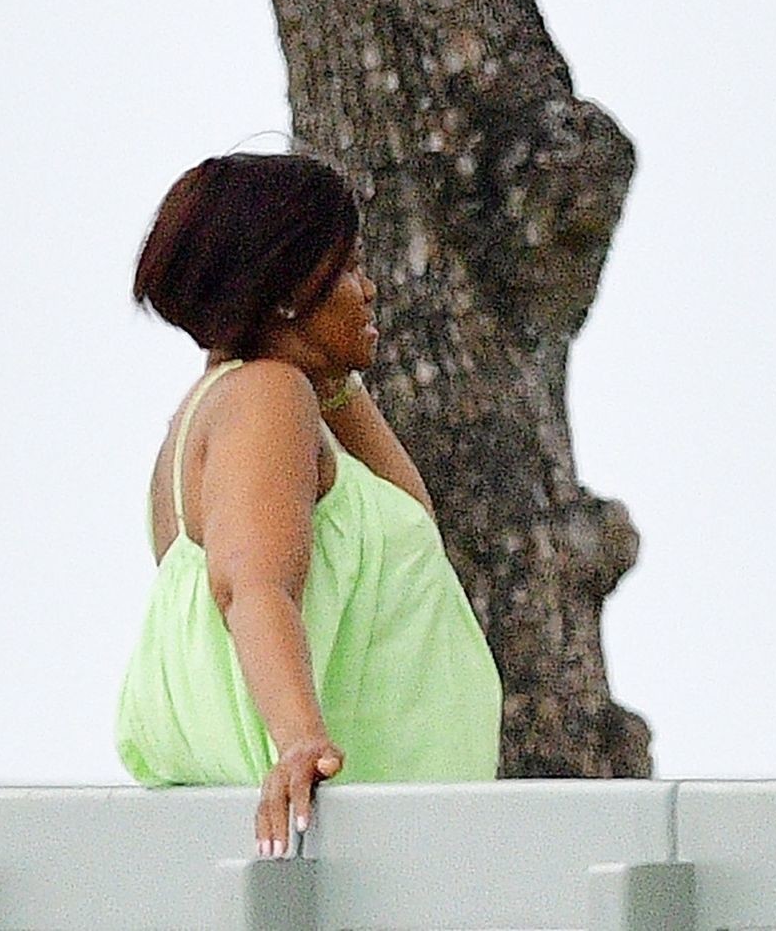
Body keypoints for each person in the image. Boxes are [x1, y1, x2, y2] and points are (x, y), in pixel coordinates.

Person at [116, 152, 502, 855]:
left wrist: (329, 370)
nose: (370, 288)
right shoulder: (268, 396)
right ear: (291, 289)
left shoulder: (229, 405)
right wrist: (301, 742)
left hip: (399, 838)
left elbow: (413, 526)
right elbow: (252, 584)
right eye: (349, 267)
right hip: (352, 841)